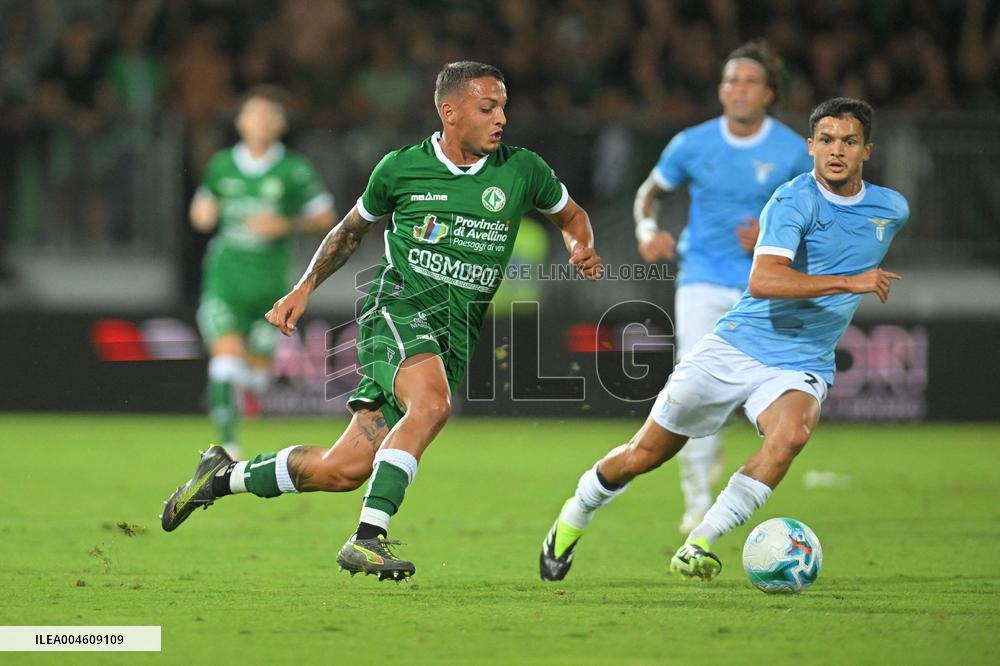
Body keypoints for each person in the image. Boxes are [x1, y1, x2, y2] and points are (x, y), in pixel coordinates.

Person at [162, 62, 603, 582]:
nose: (501, 118)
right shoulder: (401, 168)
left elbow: (571, 215)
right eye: (488, 108)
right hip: (396, 309)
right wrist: (304, 288)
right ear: (451, 112)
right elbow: (348, 232)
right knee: (433, 404)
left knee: (342, 468)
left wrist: (582, 245)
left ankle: (220, 477)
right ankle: (367, 538)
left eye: (504, 107)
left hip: (455, 333)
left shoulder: (523, 169)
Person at [540, 97, 907, 582]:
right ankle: (573, 516)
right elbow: (764, 282)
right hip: (737, 347)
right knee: (642, 455)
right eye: (826, 140)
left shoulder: (891, 209)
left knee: (791, 435)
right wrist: (850, 281)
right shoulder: (792, 199)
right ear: (811, 147)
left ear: (867, 150)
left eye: (849, 141)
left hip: (801, 361)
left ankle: (699, 543)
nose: (836, 150)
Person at [633, 39, 813, 533]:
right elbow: (649, 194)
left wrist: (779, 238)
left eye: (750, 81)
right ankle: (696, 502)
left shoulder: (795, 152)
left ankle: (734, 465)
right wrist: (648, 232)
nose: (738, 89)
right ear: (720, 89)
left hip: (766, 285)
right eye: (731, 80)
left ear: (769, 94)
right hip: (703, 279)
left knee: (769, 387)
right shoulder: (692, 143)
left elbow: (820, 221)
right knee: (690, 381)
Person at [189, 85, 336, 458]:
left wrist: (284, 224)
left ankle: (250, 389)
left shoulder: (293, 169)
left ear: (280, 125)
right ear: (240, 123)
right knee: (224, 360)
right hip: (225, 278)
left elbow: (325, 216)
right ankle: (227, 445)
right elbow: (201, 211)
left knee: (254, 375)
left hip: (271, 283)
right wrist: (204, 214)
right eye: (253, 115)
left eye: (269, 116)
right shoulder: (222, 164)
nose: (261, 122)